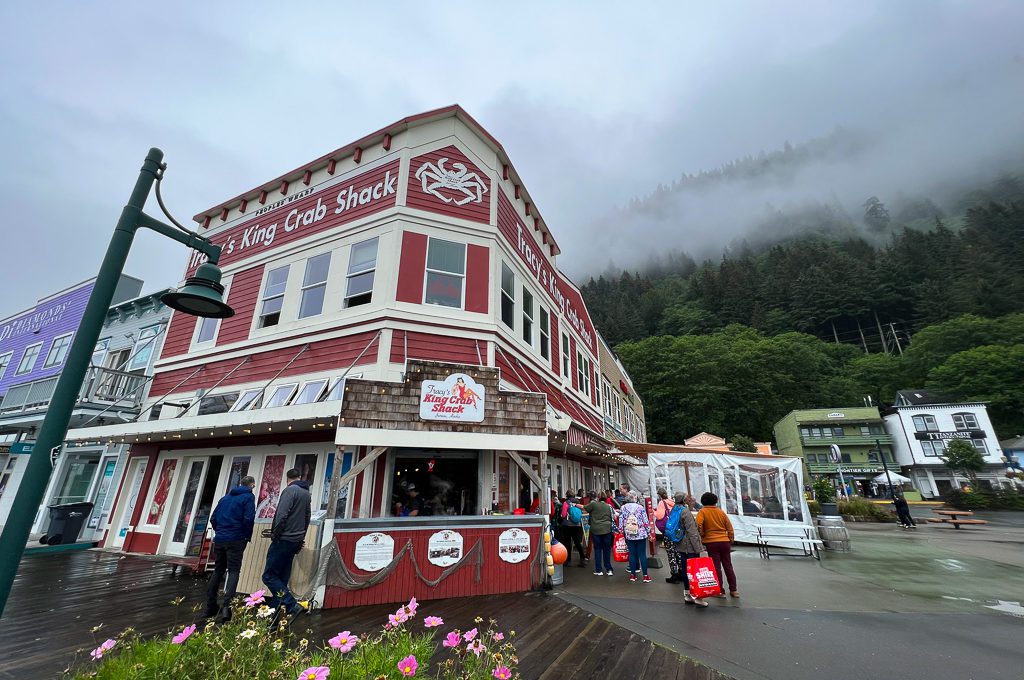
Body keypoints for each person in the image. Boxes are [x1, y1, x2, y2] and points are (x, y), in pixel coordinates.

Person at [204, 475, 256, 620]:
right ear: (251, 485)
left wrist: (220, 531)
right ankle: (227, 607)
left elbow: (213, 518)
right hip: (236, 538)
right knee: (233, 571)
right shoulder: (248, 498)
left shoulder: (225, 498)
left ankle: (210, 605)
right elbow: (248, 518)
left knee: (218, 570)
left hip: (220, 538)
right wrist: (246, 535)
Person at [262, 468, 312, 618]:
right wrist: (301, 536)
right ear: (299, 477)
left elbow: (282, 514)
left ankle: (290, 604)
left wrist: (275, 534)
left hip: (284, 538)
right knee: (282, 577)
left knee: (269, 576)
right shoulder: (306, 494)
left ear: (287, 479)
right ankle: (276, 612)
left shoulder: (290, 491)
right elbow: (307, 517)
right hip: (295, 540)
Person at [668, 494, 708, 607]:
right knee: (694, 571)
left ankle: (687, 594)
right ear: (685, 500)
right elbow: (692, 531)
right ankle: (698, 597)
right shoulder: (685, 512)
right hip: (689, 545)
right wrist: (698, 547)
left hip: (680, 544)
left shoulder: (675, 509)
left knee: (685, 570)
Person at [697, 492, 738, 598]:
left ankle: (720, 591)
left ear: (703, 501)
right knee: (728, 566)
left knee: (716, 567)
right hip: (724, 542)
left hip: (711, 542)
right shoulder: (721, 512)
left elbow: (698, 524)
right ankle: (734, 590)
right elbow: (729, 527)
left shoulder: (702, 512)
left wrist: (702, 535)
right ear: (715, 501)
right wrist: (731, 539)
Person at [578, 492, 615, 576]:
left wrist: (575, 504)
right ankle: (609, 569)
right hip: (607, 530)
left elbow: (584, 508)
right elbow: (614, 516)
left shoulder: (594, 505)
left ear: (598, 498)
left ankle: (599, 570)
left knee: (597, 549)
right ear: (605, 498)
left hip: (596, 530)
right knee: (607, 550)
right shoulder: (609, 506)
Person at [617, 492, 652, 583]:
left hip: (629, 534)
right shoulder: (640, 508)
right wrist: (649, 533)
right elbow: (645, 521)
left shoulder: (623, 508)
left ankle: (632, 575)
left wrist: (621, 531)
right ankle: (645, 576)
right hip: (641, 534)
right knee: (642, 554)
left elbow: (621, 522)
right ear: (634, 499)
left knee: (632, 554)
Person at [560, 491, 587, 567]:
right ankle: (582, 559)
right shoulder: (578, 502)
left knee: (568, 543)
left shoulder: (566, 503)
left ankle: (568, 561)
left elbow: (563, 514)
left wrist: (561, 516)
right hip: (577, 525)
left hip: (567, 525)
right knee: (578, 542)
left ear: (567, 495)